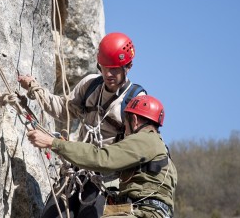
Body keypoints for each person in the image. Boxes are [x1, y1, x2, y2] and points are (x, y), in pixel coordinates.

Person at [18, 33, 146, 217]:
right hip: (76, 171)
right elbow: (64, 109)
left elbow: (135, 151)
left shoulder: (135, 101)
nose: (109, 74)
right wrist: (35, 89)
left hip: (106, 181)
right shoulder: (91, 85)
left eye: (115, 69)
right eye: (105, 68)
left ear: (129, 67)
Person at [27, 95, 178, 218]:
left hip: (143, 213)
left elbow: (101, 158)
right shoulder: (160, 149)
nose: (125, 129)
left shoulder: (144, 140)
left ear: (135, 121)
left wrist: (53, 143)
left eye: (126, 123)